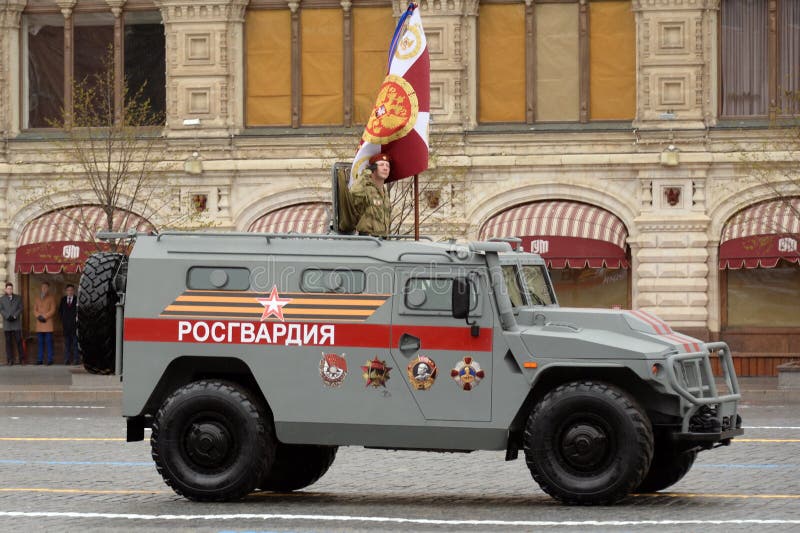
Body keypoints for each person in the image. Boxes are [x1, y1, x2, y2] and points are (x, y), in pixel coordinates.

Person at [349, 153, 393, 238]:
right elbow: (353, 192)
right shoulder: (366, 189)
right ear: (373, 168)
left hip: (383, 240)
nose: (385, 168)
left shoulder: (384, 192)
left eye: (388, 166)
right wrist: (366, 173)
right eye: (381, 165)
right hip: (367, 241)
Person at [0, 282, 24, 365]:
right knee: (8, 342)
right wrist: (7, 316)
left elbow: (21, 308)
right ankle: (10, 360)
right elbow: (1, 309)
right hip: (7, 324)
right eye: (8, 289)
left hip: (16, 323)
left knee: (19, 341)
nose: (10, 290)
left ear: (12, 289)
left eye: (11, 288)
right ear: (6, 289)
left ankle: (22, 359)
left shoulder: (18, 298)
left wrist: (14, 316)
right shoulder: (2, 299)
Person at [33, 281, 56, 365]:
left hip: (48, 323)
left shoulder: (51, 298)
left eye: (46, 287)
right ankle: (40, 359)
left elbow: (53, 310)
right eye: (43, 287)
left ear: (48, 288)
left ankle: (50, 360)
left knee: (49, 342)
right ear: (41, 288)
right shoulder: (37, 298)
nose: (44, 289)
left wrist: (44, 316)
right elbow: (34, 310)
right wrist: (38, 316)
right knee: (40, 343)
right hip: (39, 323)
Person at [58, 284, 79, 365]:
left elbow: (79, 311)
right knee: (67, 344)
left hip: (74, 326)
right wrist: (63, 320)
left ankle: (76, 359)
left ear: (73, 291)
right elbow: (60, 311)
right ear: (66, 291)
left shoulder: (77, 299)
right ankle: (67, 359)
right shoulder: (63, 299)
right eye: (68, 290)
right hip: (66, 326)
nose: (70, 292)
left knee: (75, 344)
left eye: (71, 290)